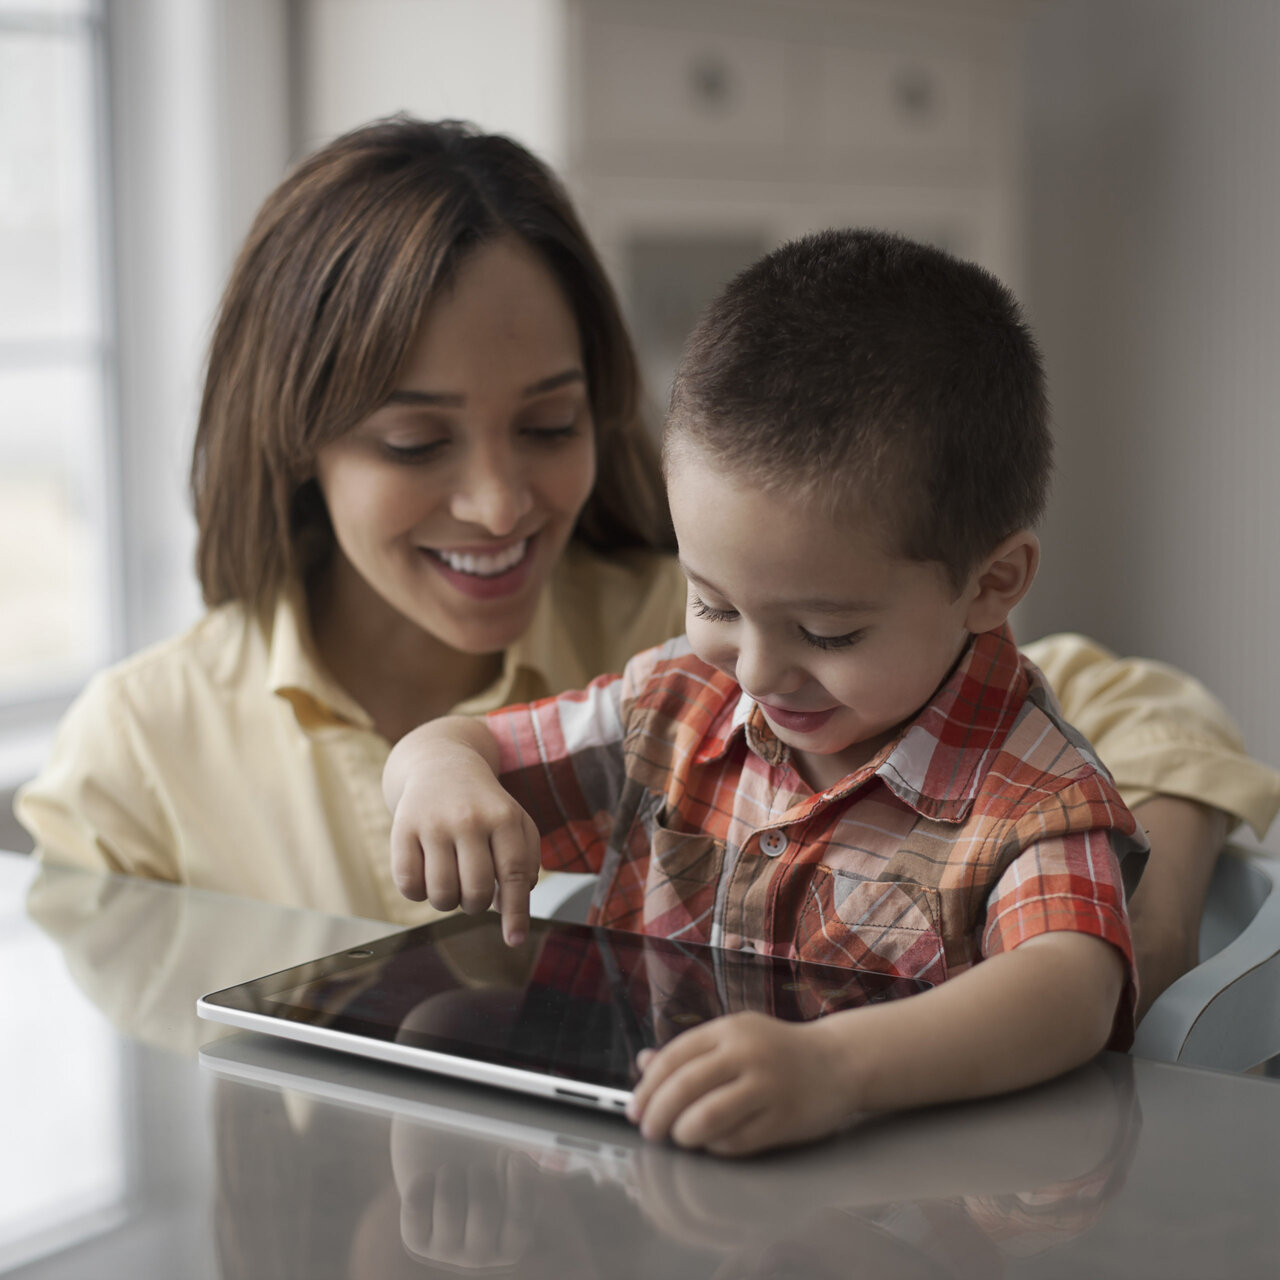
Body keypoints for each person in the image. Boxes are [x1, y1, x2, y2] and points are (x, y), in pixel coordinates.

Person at [13, 118, 1279, 1018]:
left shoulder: (690, 640)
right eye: (414, 440)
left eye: (552, 424)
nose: (502, 500)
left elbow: (1104, 709)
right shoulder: (144, 741)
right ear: (296, 440)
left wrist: (1127, 926)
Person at [382, 228, 1147, 1155]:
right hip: (653, 1190)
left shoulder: (1036, 800)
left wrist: (835, 1067)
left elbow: (1067, 989)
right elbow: (462, 749)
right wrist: (434, 775)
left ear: (990, 583)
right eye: (713, 602)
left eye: (826, 633)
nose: (753, 673)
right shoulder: (675, 705)